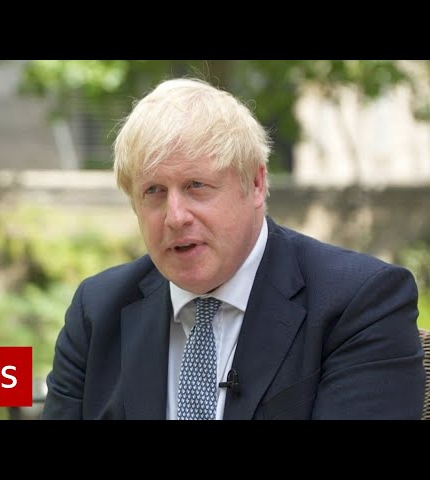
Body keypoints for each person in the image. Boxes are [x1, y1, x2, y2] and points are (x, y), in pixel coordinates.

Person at [40, 77, 426, 420]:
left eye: (196, 186)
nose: (175, 216)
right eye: (153, 191)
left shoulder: (360, 305)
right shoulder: (97, 311)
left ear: (256, 184)